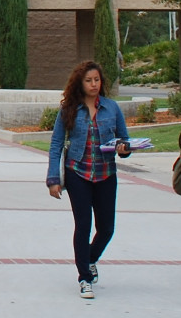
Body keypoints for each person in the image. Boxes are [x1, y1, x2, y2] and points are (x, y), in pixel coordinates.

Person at [46, 60, 131, 299]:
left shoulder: (112, 108)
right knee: (83, 226)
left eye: (97, 80)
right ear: (80, 83)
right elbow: (55, 144)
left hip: (105, 174)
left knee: (106, 229)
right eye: (89, 80)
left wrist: (124, 149)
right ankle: (84, 277)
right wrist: (53, 178)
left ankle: (90, 258)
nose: (94, 84)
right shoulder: (69, 110)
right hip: (78, 173)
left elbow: (124, 140)